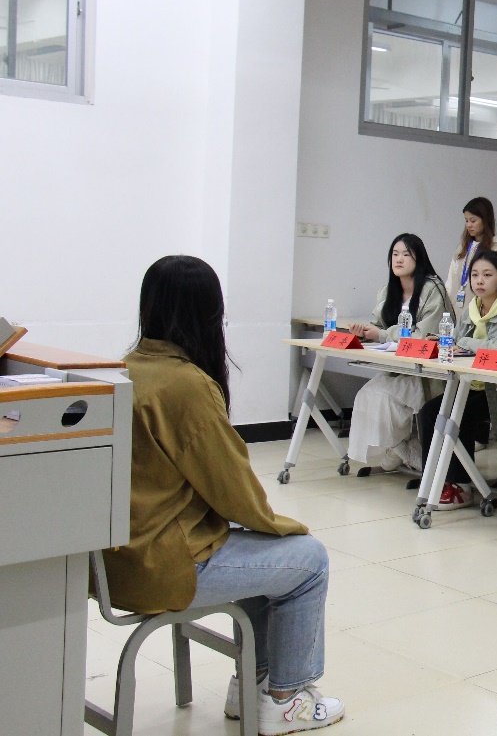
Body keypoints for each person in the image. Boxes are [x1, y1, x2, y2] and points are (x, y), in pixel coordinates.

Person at [104, 256, 343, 733]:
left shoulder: (124, 368)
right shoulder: (187, 385)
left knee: (260, 552)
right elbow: (235, 491)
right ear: (209, 314)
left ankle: (251, 684)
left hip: (116, 563)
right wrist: (286, 528)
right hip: (163, 568)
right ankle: (284, 699)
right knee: (308, 559)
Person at [415, 250, 497, 509]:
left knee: (458, 416)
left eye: (487, 275)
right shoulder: (472, 308)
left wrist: (463, 343)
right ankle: (437, 479)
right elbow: (452, 339)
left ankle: (462, 487)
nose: (480, 281)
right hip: (470, 385)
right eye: (475, 275)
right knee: (429, 412)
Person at [346, 234, 449, 474]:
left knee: (382, 398)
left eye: (405, 254)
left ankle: (402, 449)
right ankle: (398, 448)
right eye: (395, 254)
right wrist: (364, 333)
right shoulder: (388, 290)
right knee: (365, 395)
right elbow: (377, 326)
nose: (398, 259)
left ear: (418, 258)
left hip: (426, 374)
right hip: (397, 370)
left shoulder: (432, 288)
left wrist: (382, 335)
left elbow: (425, 335)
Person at [445, 196, 497, 314]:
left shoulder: (496, 247)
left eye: (473, 221)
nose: (469, 225)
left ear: (485, 220)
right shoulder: (463, 247)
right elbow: (451, 279)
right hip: (456, 309)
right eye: (466, 220)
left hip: (481, 311)